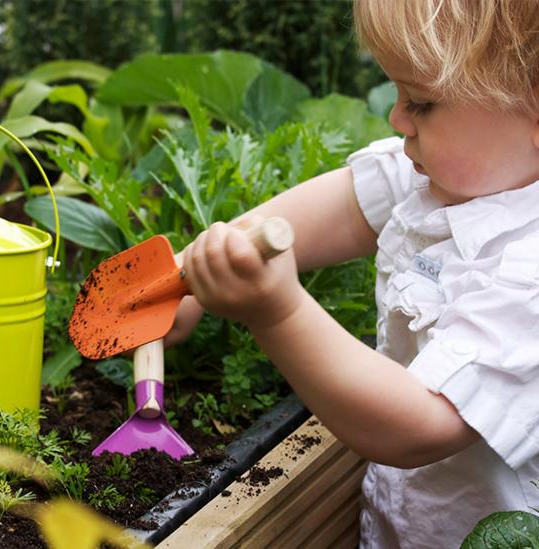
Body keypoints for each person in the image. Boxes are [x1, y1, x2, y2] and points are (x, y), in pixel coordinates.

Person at [165, 0, 539, 546]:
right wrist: (189, 275)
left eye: (422, 101)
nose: (396, 118)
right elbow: (343, 208)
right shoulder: (448, 175)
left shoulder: (530, 270)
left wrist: (277, 311)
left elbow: (419, 425)